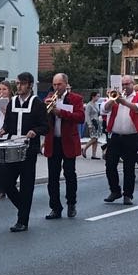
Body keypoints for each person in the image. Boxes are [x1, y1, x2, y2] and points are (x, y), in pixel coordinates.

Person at [0, 71, 48, 231]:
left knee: (26, 185)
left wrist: (35, 131)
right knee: (7, 183)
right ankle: (24, 208)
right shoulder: (12, 102)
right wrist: (4, 130)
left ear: (30, 85)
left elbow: (45, 126)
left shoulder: (37, 103)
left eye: (22, 83)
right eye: (17, 83)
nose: (19, 86)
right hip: (12, 147)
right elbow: (8, 123)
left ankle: (22, 221)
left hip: (28, 149)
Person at [43, 73, 85, 219]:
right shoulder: (49, 97)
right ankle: (55, 208)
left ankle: (71, 203)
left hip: (68, 142)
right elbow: (42, 118)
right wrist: (45, 108)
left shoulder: (76, 99)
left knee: (70, 175)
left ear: (66, 84)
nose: (56, 87)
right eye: (54, 84)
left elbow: (80, 117)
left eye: (59, 84)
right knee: (52, 177)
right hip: (53, 142)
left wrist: (60, 112)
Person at [102, 75, 138, 205]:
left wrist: (124, 102)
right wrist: (112, 100)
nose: (125, 86)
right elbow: (103, 110)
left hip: (131, 137)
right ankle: (115, 190)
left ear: (133, 84)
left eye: (127, 84)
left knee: (129, 168)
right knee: (110, 165)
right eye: (123, 84)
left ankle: (128, 194)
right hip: (115, 136)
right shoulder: (113, 96)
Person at [82, 92, 104, 159]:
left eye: (99, 96)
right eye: (97, 96)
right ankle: (84, 148)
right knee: (94, 138)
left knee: (96, 139)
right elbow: (87, 115)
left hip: (97, 122)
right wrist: (89, 124)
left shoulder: (96, 104)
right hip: (92, 122)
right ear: (93, 97)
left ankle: (94, 155)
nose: (98, 98)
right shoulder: (89, 105)